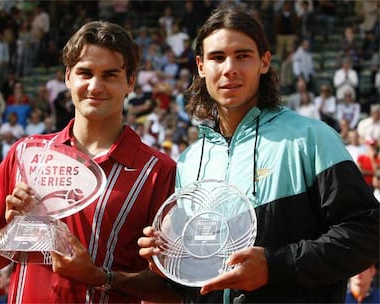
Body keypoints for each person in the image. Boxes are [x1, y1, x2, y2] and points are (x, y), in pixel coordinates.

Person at [138, 4, 380, 303]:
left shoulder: (310, 138)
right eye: (217, 58)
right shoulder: (189, 161)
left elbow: (367, 233)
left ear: (264, 61)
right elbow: (200, 277)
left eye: (243, 56)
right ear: (200, 66)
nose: (230, 69)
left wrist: (275, 265)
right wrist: (170, 263)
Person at [0, 21, 181, 304]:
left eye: (110, 75)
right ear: (68, 76)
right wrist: (14, 233)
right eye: (85, 73)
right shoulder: (25, 154)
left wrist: (99, 276)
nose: (95, 86)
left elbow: (171, 289)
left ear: (130, 81)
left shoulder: (158, 172)